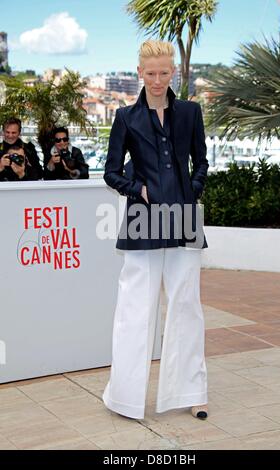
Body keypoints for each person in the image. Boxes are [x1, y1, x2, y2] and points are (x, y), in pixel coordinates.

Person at [102, 40, 209, 421]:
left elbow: (201, 161)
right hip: (141, 219)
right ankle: (125, 398)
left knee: (186, 306)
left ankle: (193, 392)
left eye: (164, 72)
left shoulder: (191, 113)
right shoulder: (125, 118)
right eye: (151, 73)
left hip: (183, 219)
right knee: (135, 309)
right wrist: (140, 190)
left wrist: (191, 191)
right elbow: (111, 172)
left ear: (173, 72)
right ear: (140, 74)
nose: (158, 79)